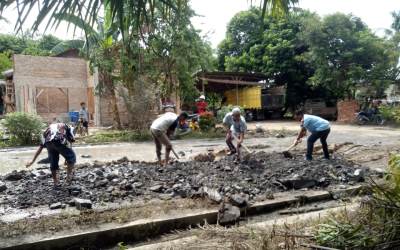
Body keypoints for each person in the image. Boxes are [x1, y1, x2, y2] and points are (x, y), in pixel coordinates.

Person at [26, 123, 76, 187]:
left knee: (53, 161)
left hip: (48, 143)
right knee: (72, 157)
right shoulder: (69, 127)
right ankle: (68, 178)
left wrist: (32, 161)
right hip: (58, 140)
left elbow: (40, 147)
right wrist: (68, 159)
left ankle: (55, 182)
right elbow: (70, 141)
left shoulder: (47, 131)